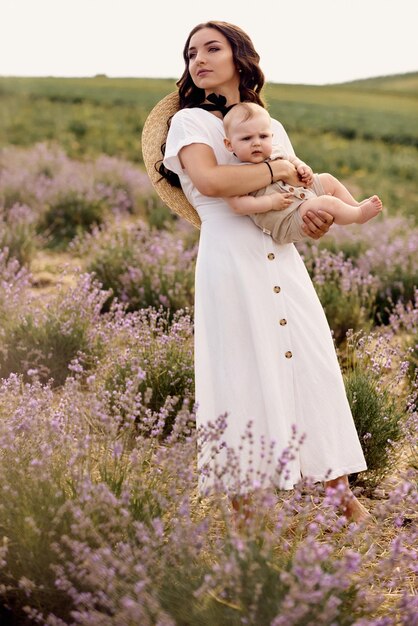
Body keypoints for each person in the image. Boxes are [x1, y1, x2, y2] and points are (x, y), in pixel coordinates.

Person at [155, 20, 370, 522]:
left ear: (240, 55)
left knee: (311, 363)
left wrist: (312, 219)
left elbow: (297, 200)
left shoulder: (270, 123)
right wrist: (276, 168)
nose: (199, 59)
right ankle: (246, 509)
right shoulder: (190, 122)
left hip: (281, 257)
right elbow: (210, 181)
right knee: (240, 372)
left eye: (212, 48)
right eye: (191, 54)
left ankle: (339, 494)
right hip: (229, 260)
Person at [222, 102, 383, 244]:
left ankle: (354, 205)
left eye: (263, 136)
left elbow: (292, 159)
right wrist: (270, 202)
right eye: (246, 138)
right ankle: (358, 215)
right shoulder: (235, 173)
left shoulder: (276, 151)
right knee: (328, 203)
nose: (256, 143)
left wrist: (302, 167)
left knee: (327, 179)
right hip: (287, 218)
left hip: (302, 195)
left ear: (271, 136)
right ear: (229, 145)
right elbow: (237, 205)